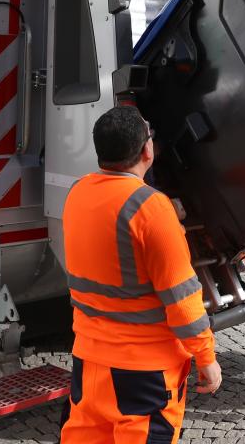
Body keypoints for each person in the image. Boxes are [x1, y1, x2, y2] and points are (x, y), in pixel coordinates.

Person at [61, 106, 221, 443]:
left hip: (89, 365)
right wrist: (206, 357)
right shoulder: (151, 208)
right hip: (144, 375)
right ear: (147, 150)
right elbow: (182, 301)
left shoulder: (77, 193)